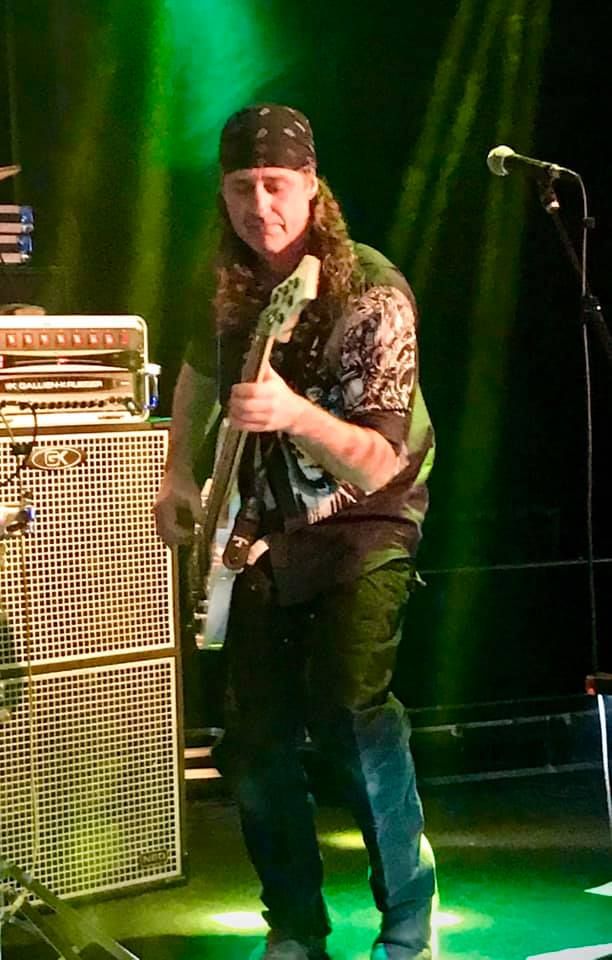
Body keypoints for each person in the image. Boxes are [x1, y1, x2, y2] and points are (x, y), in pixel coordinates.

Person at [154, 103, 436, 960]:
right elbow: (198, 371)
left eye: (276, 184)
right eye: (241, 186)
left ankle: (408, 917)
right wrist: (176, 468)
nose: (259, 205)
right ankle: (295, 928)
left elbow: (376, 463)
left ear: (313, 186)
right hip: (266, 527)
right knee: (253, 741)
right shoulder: (226, 277)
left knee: (349, 711)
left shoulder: (373, 293)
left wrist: (294, 414)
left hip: (366, 520)